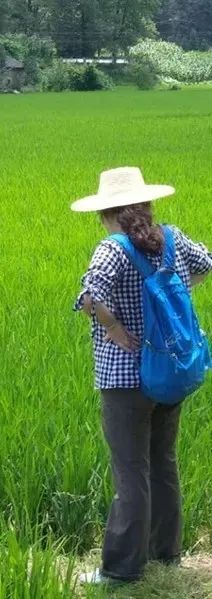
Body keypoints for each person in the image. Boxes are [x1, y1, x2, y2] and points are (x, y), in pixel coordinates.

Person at [72, 167, 212, 585]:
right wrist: (177, 305)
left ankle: (120, 570)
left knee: (131, 470)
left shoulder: (112, 248)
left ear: (107, 213)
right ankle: (165, 552)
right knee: (162, 462)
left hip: (125, 379)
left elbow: (89, 296)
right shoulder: (172, 238)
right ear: (146, 205)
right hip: (171, 371)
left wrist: (113, 327)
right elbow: (207, 264)